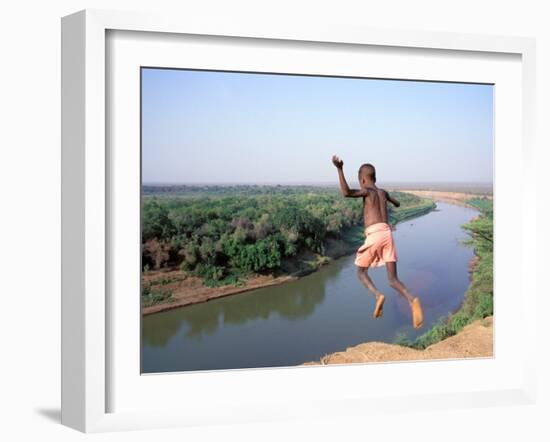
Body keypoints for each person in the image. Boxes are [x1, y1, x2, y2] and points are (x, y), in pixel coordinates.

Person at [331, 155, 424, 329]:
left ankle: (377, 295)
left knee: (360, 272)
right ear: (376, 178)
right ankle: (412, 300)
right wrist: (392, 202)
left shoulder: (367, 191)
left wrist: (339, 169)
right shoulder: (383, 192)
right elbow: (396, 203)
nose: (361, 184)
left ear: (363, 180)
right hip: (388, 234)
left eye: (360, 181)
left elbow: (346, 193)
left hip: (374, 234)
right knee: (393, 280)